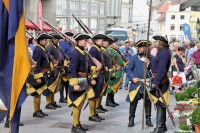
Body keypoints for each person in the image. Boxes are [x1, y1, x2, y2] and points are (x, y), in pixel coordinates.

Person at [68, 33, 96, 133]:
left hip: (84, 80)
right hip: (78, 81)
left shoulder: (83, 52)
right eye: (85, 40)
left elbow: (86, 67)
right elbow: (72, 69)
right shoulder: (75, 53)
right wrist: (74, 84)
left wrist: (91, 76)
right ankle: (75, 126)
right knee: (77, 104)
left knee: (82, 102)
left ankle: (77, 124)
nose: (86, 42)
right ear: (79, 41)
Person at [126, 40, 153, 127]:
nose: (138, 49)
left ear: (145, 48)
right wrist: (132, 77)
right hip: (136, 83)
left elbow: (154, 70)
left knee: (148, 102)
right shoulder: (134, 58)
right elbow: (129, 69)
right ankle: (131, 119)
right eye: (138, 47)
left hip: (147, 83)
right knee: (133, 102)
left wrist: (148, 63)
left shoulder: (152, 58)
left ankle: (148, 119)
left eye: (140, 47)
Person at [27, 33, 52, 118]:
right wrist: (37, 77)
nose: (46, 41)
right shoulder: (38, 49)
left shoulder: (42, 48)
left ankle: (38, 109)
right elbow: (36, 64)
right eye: (45, 40)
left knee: (39, 93)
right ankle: (36, 111)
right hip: (39, 73)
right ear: (40, 40)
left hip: (43, 73)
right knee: (37, 93)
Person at [150, 35, 171, 133]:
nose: (154, 43)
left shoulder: (164, 53)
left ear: (161, 43)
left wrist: (156, 81)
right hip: (159, 79)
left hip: (161, 81)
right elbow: (156, 65)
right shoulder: (162, 52)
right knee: (160, 103)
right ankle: (162, 126)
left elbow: (162, 69)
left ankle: (160, 127)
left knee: (160, 103)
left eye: (156, 42)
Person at [88, 34, 109, 121]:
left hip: (100, 74)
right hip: (96, 75)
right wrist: (93, 75)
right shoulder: (93, 50)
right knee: (93, 96)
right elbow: (90, 63)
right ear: (96, 41)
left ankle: (95, 113)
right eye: (101, 40)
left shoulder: (97, 49)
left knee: (97, 95)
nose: (103, 42)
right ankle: (92, 115)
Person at [43, 33, 64, 110]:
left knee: (54, 87)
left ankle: (52, 102)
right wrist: (52, 66)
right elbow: (49, 57)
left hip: (57, 68)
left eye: (58, 39)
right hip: (52, 69)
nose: (57, 40)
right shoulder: (49, 47)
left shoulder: (56, 47)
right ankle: (48, 103)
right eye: (56, 39)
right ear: (52, 39)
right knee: (50, 87)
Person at [106, 38, 126, 107]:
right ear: (111, 44)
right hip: (114, 70)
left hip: (118, 70)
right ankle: (108, 101)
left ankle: (112, 100)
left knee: (115, 86)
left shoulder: (115, 50)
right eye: (115, 43)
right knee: (111, 86)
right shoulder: (110, 51)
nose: (116, 44)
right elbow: (111, 61)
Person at [58, 32, 74, 103]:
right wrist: (62, 67)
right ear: (65, 37)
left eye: (71, 37)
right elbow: (61, 56)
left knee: (68, 82)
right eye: (69, 37)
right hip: (65, 65)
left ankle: (67, 97)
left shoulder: (70, 45)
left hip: (70, 65)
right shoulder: (63, 44)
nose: (70, 38)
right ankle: (61, 98)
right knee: (62, 82)